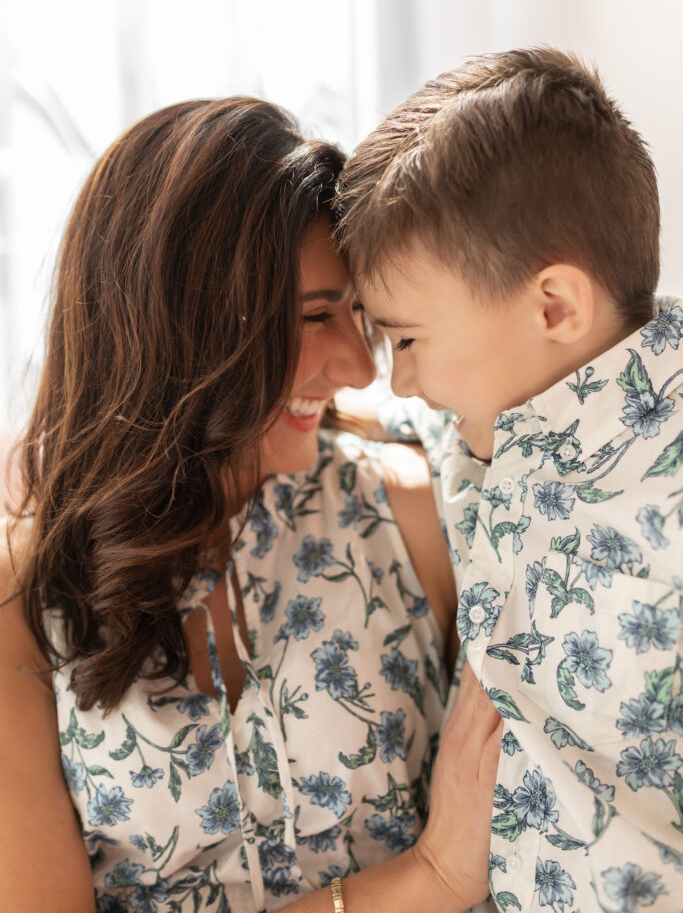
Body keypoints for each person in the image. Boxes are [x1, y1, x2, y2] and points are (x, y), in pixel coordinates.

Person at [0, 98, 502, 913]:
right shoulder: (25, 605)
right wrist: (432, 875)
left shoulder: (412, 518)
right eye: (312, 318)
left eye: (358, 315)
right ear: (183, 330)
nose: (356, 365)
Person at [335, 47, 683, 912]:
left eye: (406, 340)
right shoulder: (490, 414)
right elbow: (411, 417)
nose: (397, 379)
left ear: (555, 307)